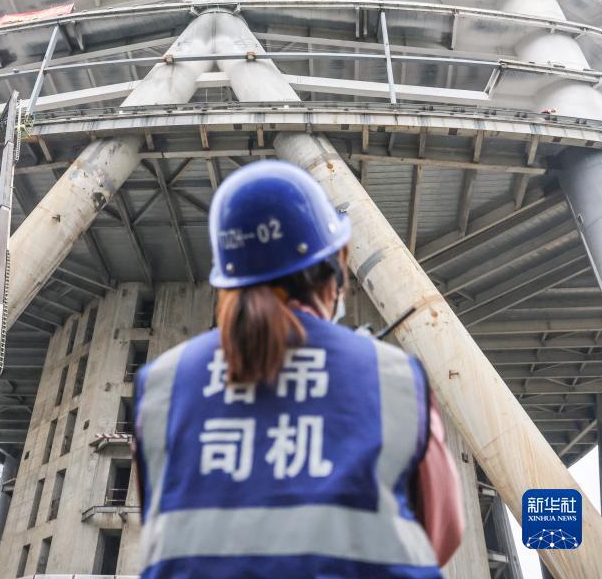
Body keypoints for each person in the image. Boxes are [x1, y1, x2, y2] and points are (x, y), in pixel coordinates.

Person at [134, 160, 464, 578]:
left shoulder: (161, 385)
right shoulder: (392, 378)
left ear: (228, 280)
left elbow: (159, 517)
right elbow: (442, 532)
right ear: (335, 269)